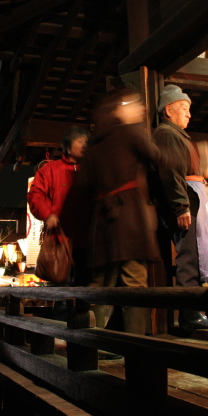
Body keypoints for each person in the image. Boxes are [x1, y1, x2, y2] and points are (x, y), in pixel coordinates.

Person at [77, 88, 163, 335]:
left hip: (101, 220)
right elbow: (160, 158)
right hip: (130, 217)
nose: (140, 108)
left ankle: (91, 344)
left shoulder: (93, 143)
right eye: (133, 103)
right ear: (117, 109)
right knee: (135, 281)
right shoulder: (129, 132)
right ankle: (135, 345)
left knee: (100, 283)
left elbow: (82, 183)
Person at [152, 84, 208, 331]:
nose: (189, 114)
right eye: (184, 108)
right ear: (169, 109)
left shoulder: (174, 134)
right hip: (184, 195)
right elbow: (171, 172)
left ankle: (193, 310)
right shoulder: (167, 134)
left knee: (194, 252)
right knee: (188, 255)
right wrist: (181, 206)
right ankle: (189, 313)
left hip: (190, 193)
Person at [27, 125, 91, 286]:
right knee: (61, 288)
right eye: (80, 141)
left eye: (86, 142)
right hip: (60, 240)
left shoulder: (92, 170)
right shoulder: (50, 170)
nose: (84, 145)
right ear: (68, 146)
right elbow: (35, 195)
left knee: (88, 288)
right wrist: (48, 214)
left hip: (89, 240)